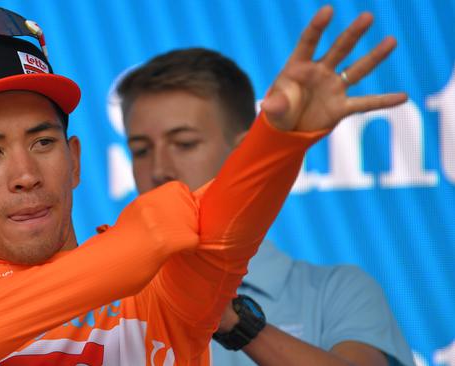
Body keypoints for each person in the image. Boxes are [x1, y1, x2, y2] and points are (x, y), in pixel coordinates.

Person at [0, 5, 406, 365]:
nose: (25, 175)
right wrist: (128, 253)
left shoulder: (161, 285)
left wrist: (281, 138)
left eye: (43, 143)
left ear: (74, 161)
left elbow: (228, 226)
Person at [117, 18, 414, 366]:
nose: (157, 169)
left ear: (247, 153)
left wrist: (234, 320)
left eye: (184, 143)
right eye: (140, 150)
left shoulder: (337, 290)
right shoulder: (109, 297)